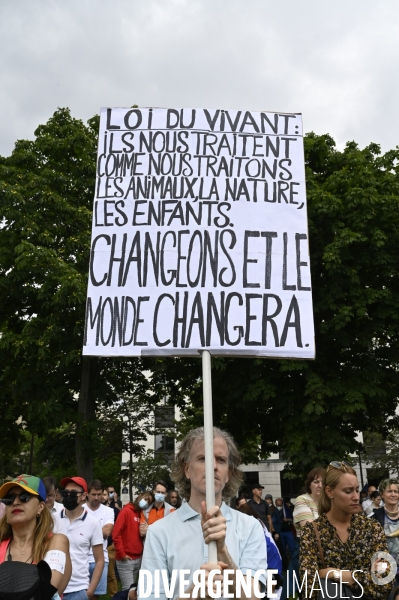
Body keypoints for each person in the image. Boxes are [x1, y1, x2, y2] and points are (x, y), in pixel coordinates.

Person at [140, 426, 267, 600]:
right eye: (203, 458)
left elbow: (253, 597)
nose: (213, 466)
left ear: (228, 473)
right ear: (187, 469)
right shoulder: (159, 533)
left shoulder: (250, 527)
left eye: (221, 460)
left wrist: (222, 550)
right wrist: (195, 594)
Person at [300, 461, 393, 599]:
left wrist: (335, 574)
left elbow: (384, 582)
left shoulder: (372, 528)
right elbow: (308, 588)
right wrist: (364, 576)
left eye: (357, 489)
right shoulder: (313, 531)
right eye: (348, 491)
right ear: (329, 492)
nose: (356, 497)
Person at [0, 474, 72, 595]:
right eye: (9, 498)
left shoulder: (56, 542)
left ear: (40, 507)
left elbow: (45, 592)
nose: (16, 502)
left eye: (24, 497)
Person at [57, 476, 104, 600]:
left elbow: (99, 560)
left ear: (84, 496)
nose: (68, 496)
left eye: (73, 493)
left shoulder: (93, 522)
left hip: (78, 590)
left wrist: (90, 591)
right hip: (53, 588)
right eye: (66, 492)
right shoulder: (52, 519)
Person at [113, 491, 152, 591]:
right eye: (145, 499)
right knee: (128, 591)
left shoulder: (140, 514)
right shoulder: (126, 511)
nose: (146, 502)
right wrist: (122, 554)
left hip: (137, 559)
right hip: (126, 558)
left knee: (133, 590)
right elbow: (116, 534)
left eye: (149, 502)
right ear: (139, 496)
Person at [83, 480, 115, 600]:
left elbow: (107, 532)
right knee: (80, 594)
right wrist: (97, 531)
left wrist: (85, 531)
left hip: (101, 559)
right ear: (87, 494)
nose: (96, 497)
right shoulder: (80, 509)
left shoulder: (108, 511)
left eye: (99, 494)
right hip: (82, 559)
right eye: (93, 494)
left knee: (95, 596)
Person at [372, 478, 399, 584]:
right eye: (389, 491)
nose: (393, 494)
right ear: (382, 494)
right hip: (386, 571)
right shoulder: (375, 517)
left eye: (396, 491)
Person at [293, 467, 325, 532]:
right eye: (316, 482)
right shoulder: (302, 500)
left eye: (323, 482)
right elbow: (309, 529)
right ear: (309, 485)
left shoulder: (330, 501)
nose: (320, 485)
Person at [102, 487, 120, 597]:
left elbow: (118, 527)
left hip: (109, 545)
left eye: (105, 494)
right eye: (102, 494)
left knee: (110, 574)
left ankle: (114, 596)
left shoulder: (113, 510)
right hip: (94, 546)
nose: (103, 496)